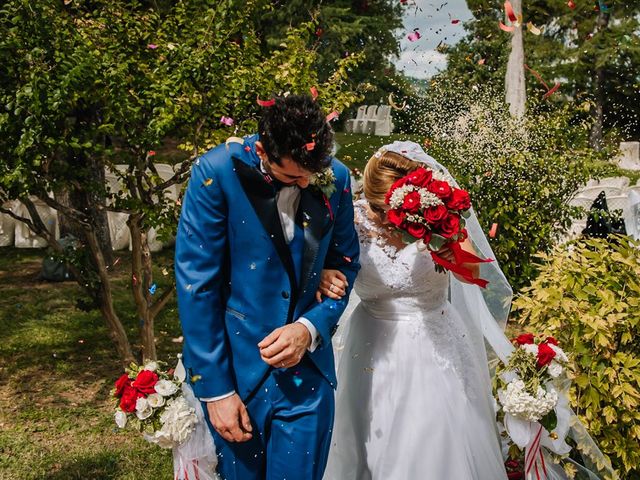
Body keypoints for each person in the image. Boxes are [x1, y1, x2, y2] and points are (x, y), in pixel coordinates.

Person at [175, 94, 360, 480]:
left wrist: (308, 328)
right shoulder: (215, 173)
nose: (307, 183)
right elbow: (198, 287)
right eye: (294, 177)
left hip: (308, 379)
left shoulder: (337, 177)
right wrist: (217, 393)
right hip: (238, 375)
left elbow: (345, 264)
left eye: (314, 173)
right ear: (262, 150)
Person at [322, 141, 509, 479]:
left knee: (433, 436)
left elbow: (472, 273)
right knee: (367, 432)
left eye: (390, 210)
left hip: (432, 339)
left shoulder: (439, 213)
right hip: (370, 343)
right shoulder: (350, 218)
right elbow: (331, 266)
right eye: (380, 209)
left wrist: (453, 253)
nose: (387, 220)